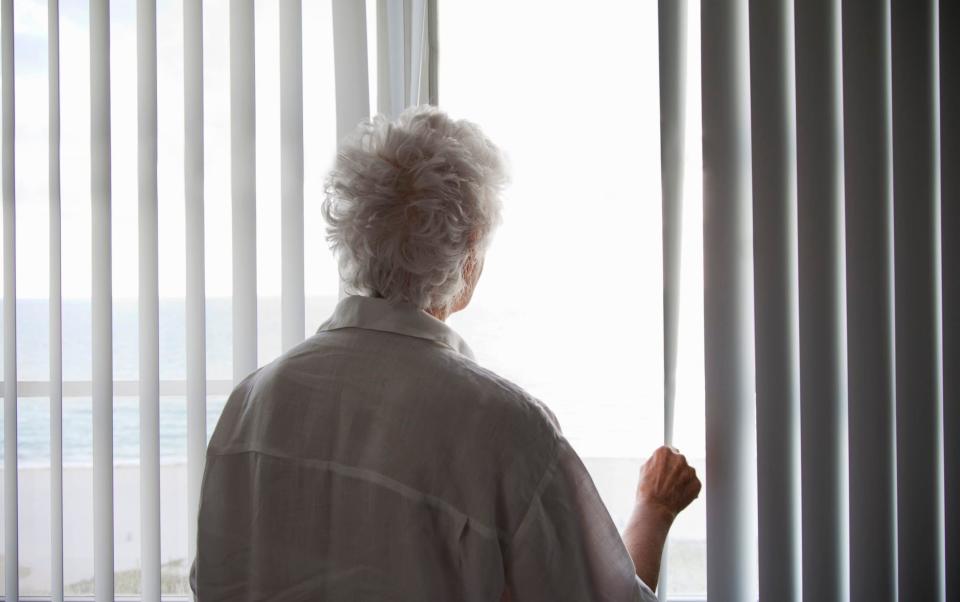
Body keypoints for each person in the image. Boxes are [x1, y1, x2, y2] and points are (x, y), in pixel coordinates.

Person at [190, 106, 701, 601]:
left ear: (350, 238)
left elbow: (214, 582)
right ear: (471, 251)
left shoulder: (250, 403)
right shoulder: (507, 431)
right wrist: (653, 508)